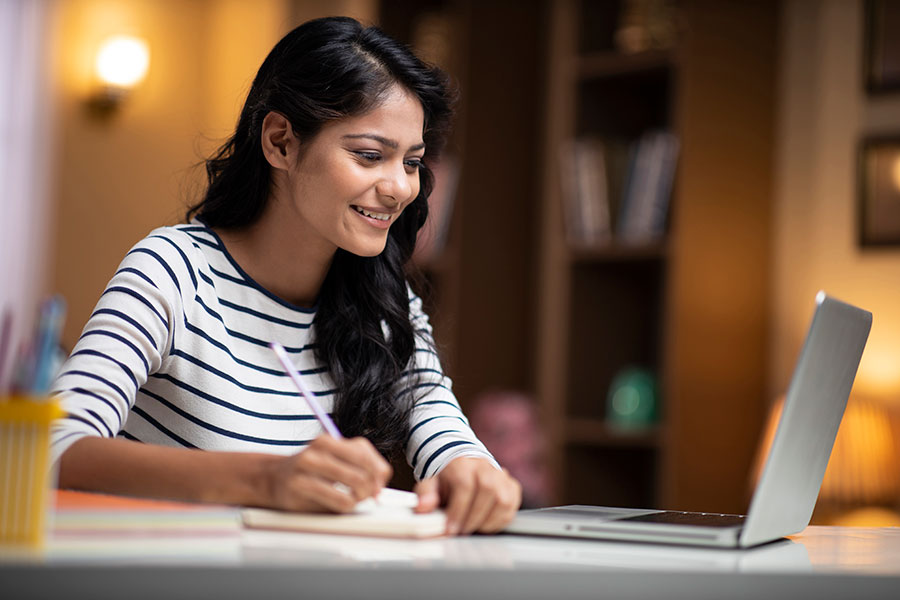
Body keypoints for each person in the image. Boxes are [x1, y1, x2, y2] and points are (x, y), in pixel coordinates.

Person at [50, 16, 521, 535]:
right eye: (369, 156)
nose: (399, 189)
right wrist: (266, 480)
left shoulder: (386, 301)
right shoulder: (173, 272)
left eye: (411, 162)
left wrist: (475, 477)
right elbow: (53, 452)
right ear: (280, 142)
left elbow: (445, 437)